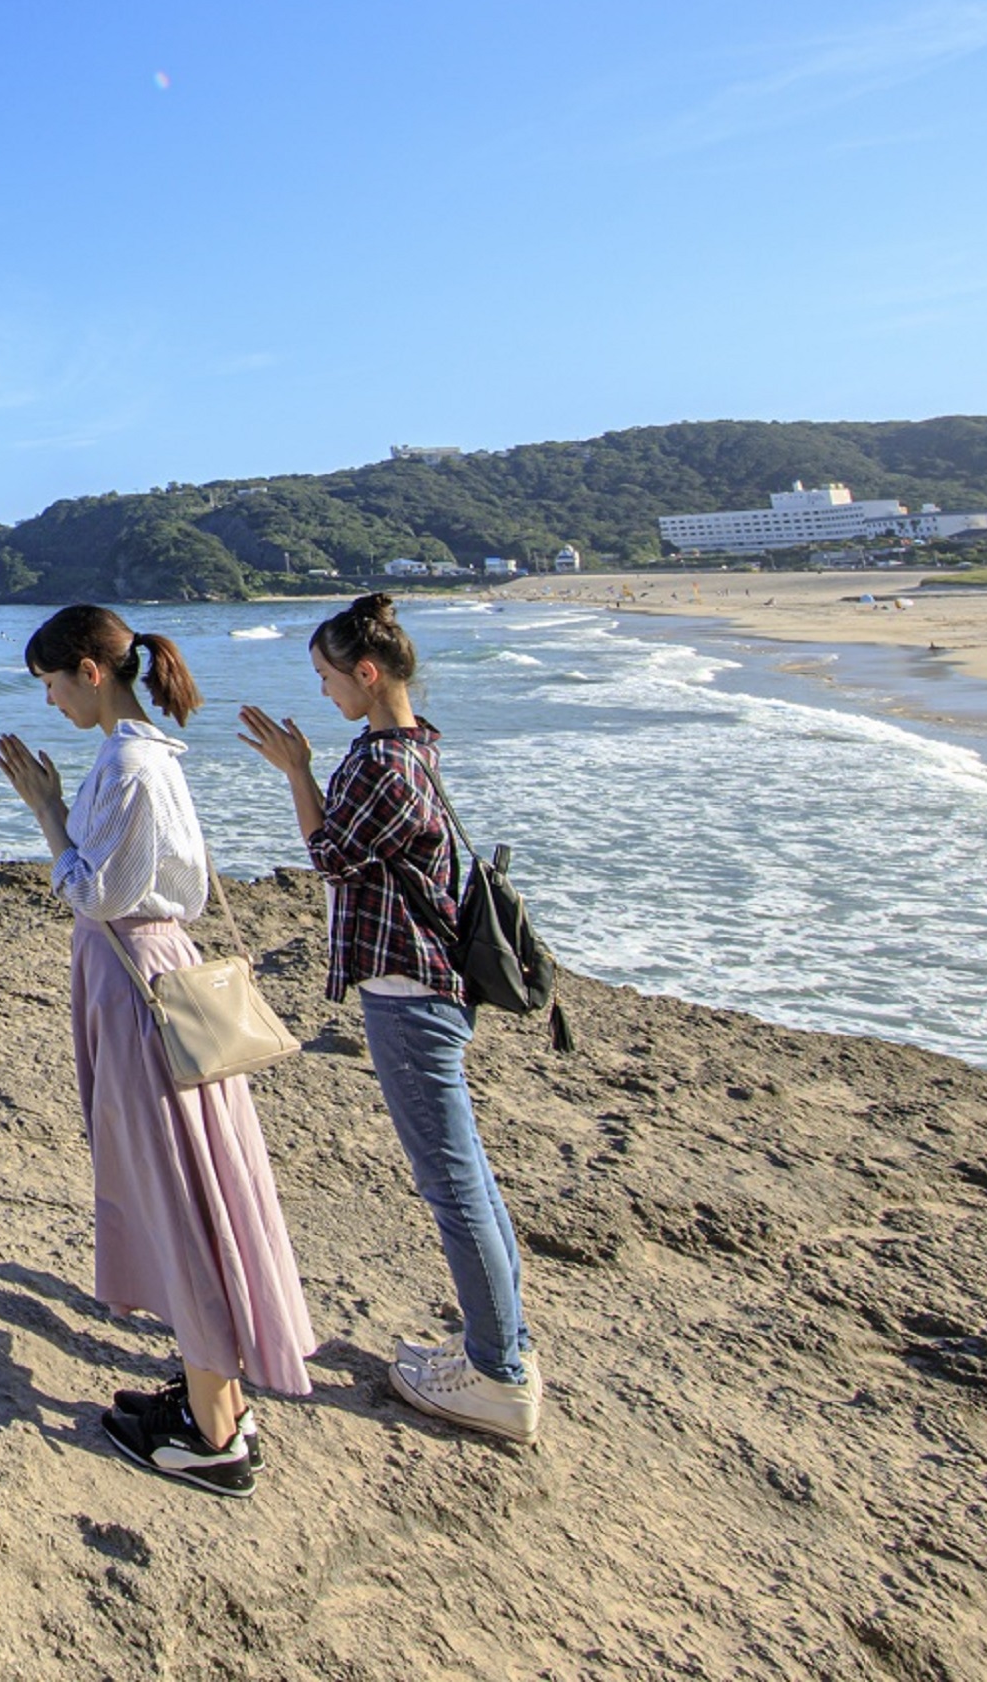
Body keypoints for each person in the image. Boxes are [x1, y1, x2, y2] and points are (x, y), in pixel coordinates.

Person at [0, 604, 317, 1498]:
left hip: (137, 985)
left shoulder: (130, 765)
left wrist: (48, 813)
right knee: (187, 1180)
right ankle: (211, 1393)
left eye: (53, 683)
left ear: (90, 673)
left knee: (178, 1192)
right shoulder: (143, 756)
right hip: (140, 976)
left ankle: (214, 1434)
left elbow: (94, 892)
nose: (52, 701)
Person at [235, 593, 545, 1446]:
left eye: (329, 677)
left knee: (453, 1189)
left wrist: (297, 772)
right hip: (427, 987)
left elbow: (331, 859)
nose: (325, 691)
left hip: (411, 994)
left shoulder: (381, 764)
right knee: (468, 1179)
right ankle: (498, 1349)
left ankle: (499, 1376)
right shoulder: (412, 746)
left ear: (367, 675)